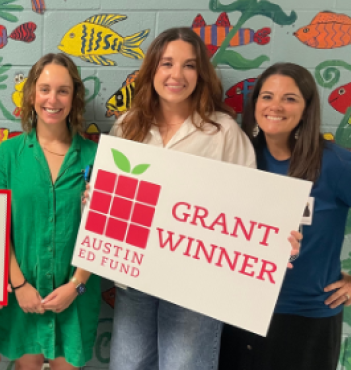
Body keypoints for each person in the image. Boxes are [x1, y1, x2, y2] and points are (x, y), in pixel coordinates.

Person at [104, 27, 255, 370]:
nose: (176, 74)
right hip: (134, 280)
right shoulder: (128, 126)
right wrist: (95, 198)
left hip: (194, 285)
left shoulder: (222, 131)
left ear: (200, 74)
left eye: (188, 65)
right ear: (152, 71)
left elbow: (249, 208)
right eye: (166, 63)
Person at [217, 63, 351, 370]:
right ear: (255, 104)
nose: (276, 106)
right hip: (238, 312)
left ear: (307, 108)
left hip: (305, 318)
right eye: (267, 96)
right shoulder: (240, 159)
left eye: (290, 98)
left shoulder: (336, 164)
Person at [0, 53, 99, 370]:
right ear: (32, 95)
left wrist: (76, 286)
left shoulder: (96, 156)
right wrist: (19, 285)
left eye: (63, 90)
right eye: (45, 89)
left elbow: (104, 232)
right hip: (23, 295)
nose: (53, 99)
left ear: (74, 96)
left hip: (75, 296)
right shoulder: (9, 154)